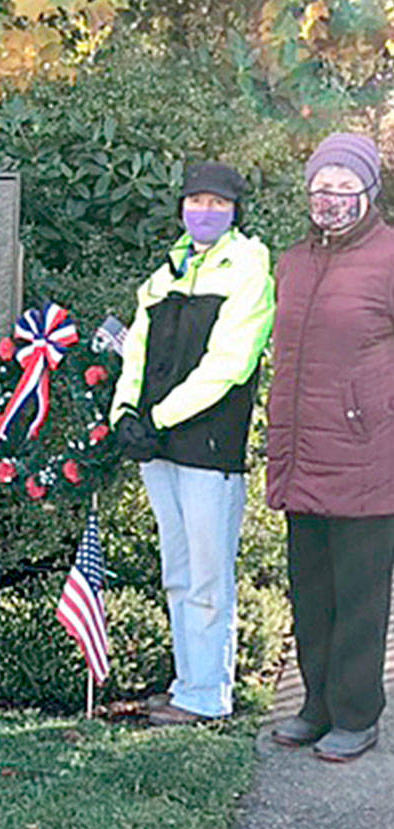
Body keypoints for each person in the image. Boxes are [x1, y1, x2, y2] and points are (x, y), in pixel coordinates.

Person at [110, 161, 275, 726]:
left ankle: (210, 697)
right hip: (158, 445)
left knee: (208, 576)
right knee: (177, 572)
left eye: (217, 203)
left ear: (235, 210)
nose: (204, 211)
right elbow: (136, 349)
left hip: (208, 445)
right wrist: (124, 413)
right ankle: (188, 685)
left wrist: (157, 416)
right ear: (181, 207)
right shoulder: (166, 272)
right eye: (195, 201)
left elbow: (229, 365)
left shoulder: (250, 268)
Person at [266, 132, 394, 762]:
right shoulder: (291, 261)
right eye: (323, 187)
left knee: (361, 598)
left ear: (370, 192)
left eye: (346, 187)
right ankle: (315, 706)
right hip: (302, 457)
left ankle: (356, 713)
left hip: (368, 459)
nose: (333, 198)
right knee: (311, 591)